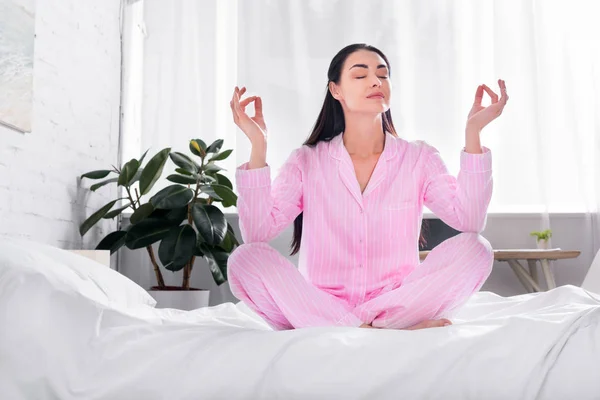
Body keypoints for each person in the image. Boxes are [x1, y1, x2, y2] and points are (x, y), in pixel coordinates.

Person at [227, 43, 509, 331]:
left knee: (477, 249)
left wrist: (473, 134)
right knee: (244, 259)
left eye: (383, 75)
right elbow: (258, 233)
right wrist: (258, 147)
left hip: (395, 303)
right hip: (323, 304)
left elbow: (469, 220)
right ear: (335, 90)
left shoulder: (419, 158)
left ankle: (367, 327)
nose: (376, 81)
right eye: (360, 76)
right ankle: (374, 330)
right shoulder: (306, 161)